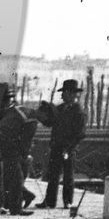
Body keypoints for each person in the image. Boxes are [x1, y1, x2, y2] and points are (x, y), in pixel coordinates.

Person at [0, 86, 35, 216]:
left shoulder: (16, 114)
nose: (4, 103)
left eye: (6, 100)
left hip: (9, 150)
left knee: (12, 178)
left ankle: (14, 206)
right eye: (2, 101)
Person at [41, 79, 84, 208]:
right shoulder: (59, 109)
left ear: (71, 94)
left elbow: (80, 134)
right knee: (53, 174)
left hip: (68, 148)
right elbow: (49, 123)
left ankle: (68, 201)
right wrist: (43, 115)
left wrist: (69, 148)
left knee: (68, 176)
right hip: (56, 146)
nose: (62, 96)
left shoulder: (78, 111)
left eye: (64, 93)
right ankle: (50, 201)